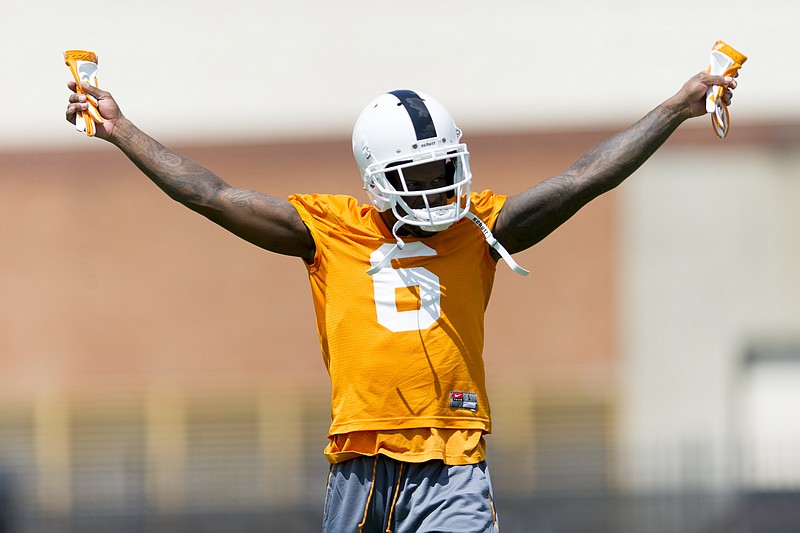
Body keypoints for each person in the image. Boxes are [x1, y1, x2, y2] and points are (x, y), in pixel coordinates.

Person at [66, 70, 736, 533]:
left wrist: (676, 108)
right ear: (377, 173)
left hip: (453, 460)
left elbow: (585, 175)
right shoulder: (328, 229)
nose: (439, 184)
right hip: (362, 460)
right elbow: (208, 192)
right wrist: (122, 128)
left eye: (445, 167)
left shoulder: (480, 225)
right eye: (420, 172)